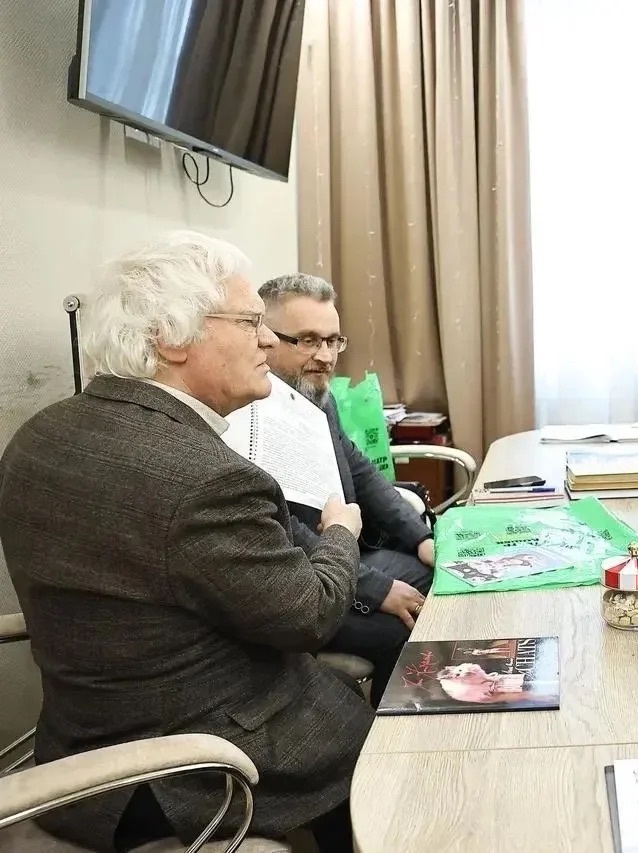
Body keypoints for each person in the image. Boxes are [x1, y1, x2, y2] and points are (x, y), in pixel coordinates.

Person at [0, 232, 371, 853]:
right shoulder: (208, 477)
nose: (268, 340)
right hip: (191, 773)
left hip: (78, 749)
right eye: (251, 322)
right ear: (171, 339)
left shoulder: (38, 436)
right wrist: (340, 533)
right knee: (391, 744)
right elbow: (309, 615)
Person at [260, 272, 434, 705]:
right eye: (307, 340)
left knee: (436, 575)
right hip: (301, 588)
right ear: (265, 338)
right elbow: (284, 532)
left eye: (333, 341)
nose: (325, 356)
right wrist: (377, 589)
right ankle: (389, 735)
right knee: (401, 626)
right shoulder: (252, 418)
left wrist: (421, 537)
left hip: (346, 557)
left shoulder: (318, 398)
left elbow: (359, 470)